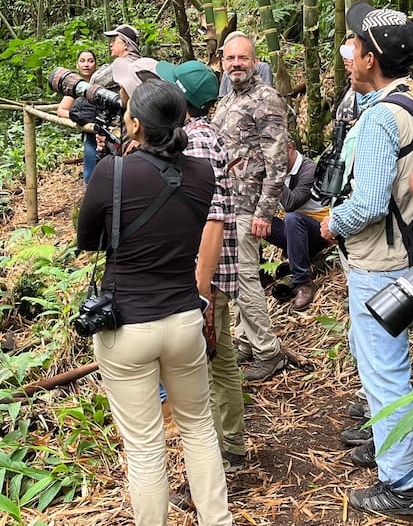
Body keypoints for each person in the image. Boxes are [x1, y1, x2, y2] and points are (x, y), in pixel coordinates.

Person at [76, 79, 234, 526]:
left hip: (127, 326)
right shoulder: (203, 174)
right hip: (185, 319)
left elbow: (88, 239)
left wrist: (115, 163)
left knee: (145, 446)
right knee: (199, 429)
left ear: (136, 124)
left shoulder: (113, 172)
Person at [318, 1, 413, 516]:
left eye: (353, 47)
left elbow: (366, 204)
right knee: (385, 362)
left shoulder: (376, 122)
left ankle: (401, 485)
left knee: (383, 369)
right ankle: (386, 439)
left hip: (379, 261)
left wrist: (330, 225)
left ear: (370, 58)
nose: (347, 54)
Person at [155, 59, 248, 474]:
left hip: (205, 275)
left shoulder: (197, 143)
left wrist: (201, 288)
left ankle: (221, 455)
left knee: (208, 366)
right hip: (211, 273)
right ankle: (230, 446)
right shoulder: (200, 135)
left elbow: (212, 217)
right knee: (221, 359)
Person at [211, 32, 291, 381]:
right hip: (228, 203)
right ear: (222, 62)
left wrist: (265, 211)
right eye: (230, 59)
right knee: (232, 277)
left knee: (245, 279)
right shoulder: (227, 99)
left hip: (250, 205)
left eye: (242, 58)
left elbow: (277, 161)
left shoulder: (266, 99)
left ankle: (268, 351)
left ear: (255, 61)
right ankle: (244, 338)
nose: (236, 65)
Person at [262, 143, 331, 311]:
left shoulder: (310, 169)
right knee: (256, 217)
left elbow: (290, 203)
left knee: (292, 218)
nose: (273, 162)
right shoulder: (280, 172)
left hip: (319, 232)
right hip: (293, 234)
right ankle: (261, 273)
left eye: (276, 156)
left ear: (290, 148)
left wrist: (273, 176)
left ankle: (304, 282)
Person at [57, 49, 100, 183]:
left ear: (96, 64)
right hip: (92, 136)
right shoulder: (75, 87)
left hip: (110, 134)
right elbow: (61, 110)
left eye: (90, 61)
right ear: (77, 65)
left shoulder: (103, 82)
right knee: (89, 176)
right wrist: (79, 118)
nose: (86, 64)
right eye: (82, 61)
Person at [91, 23, 143, 90]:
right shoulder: (141, 63)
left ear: (125, 44)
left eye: (114, 40)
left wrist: (104, 67)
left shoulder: (122, 64)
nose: (111, 44)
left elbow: (95, 82)